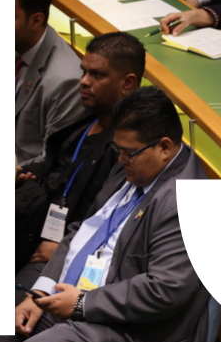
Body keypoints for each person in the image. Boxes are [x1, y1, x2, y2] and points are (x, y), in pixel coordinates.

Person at [0, 88, 211, 342]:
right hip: (78, 298)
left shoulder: (182, 201)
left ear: (164, 147)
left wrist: (82, 304)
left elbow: (164, 290)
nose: (120, 160)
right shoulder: (133, 165)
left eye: (128, 153)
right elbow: (83, 229)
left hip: (132, 334)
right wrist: (42, 290)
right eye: (118, 150)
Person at [16, 30, 143, 268]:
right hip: (38, 227)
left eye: (97, 74)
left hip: (68, 254)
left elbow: (120, 219)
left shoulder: (130, 149)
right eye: (84, 71)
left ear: (127, 83)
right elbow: (58, 165)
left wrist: (68, 248)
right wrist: (26, 173)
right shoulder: (86, 119)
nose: (83, 81)